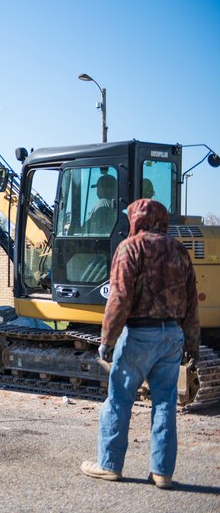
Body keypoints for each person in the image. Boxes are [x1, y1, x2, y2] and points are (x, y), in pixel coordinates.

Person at [80, 199, 200, 489]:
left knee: (119, 399)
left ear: (136, 219)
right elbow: (192, 300)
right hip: (172, 336)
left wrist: (107, 339)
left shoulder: (130, 248)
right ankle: (162, 472)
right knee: (165, 403)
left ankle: (109, 464)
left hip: (138, 335)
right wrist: (192, 344)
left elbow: (118, 297)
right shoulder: (179, 250)